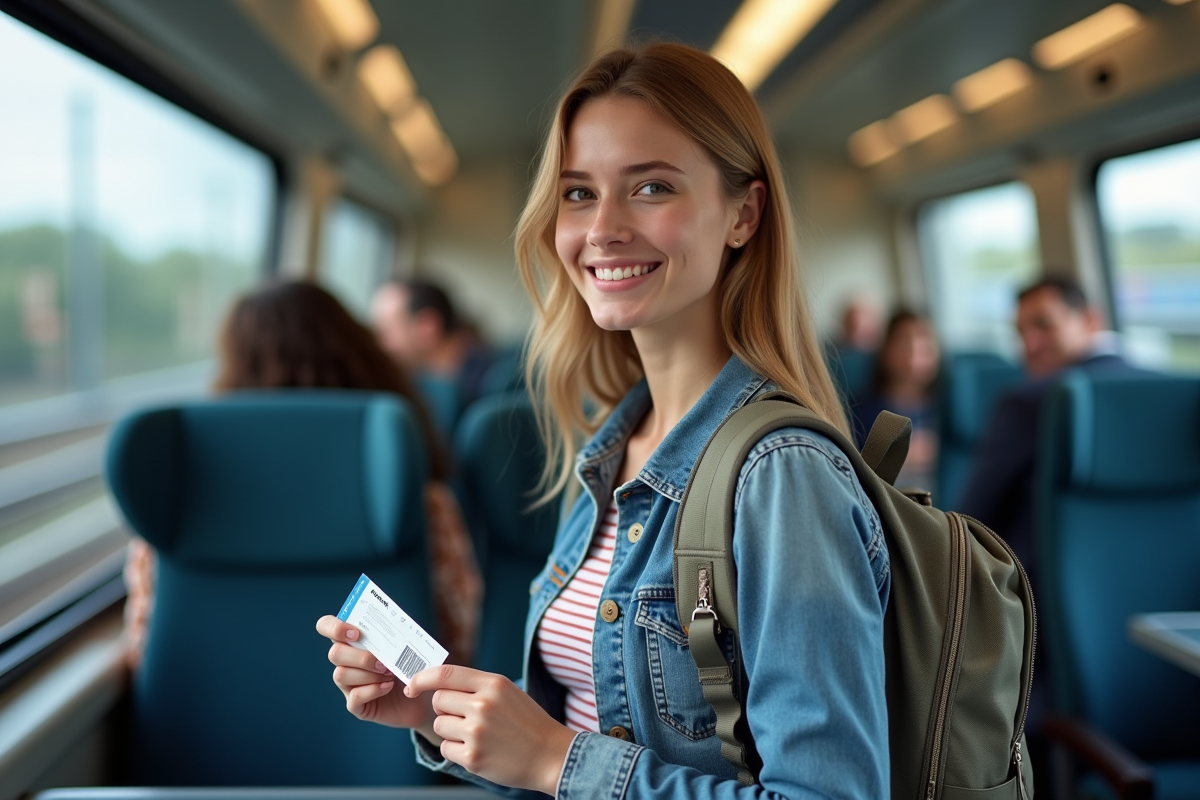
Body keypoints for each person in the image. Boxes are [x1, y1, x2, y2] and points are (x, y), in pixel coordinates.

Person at [318, 43, 890, 798]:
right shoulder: (611, 449)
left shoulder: (780, 475)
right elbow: (589, 727)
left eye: (651, 186)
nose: (603, 229)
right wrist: (442, 715)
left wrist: (556, 759)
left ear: (743, 215)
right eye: (579, 193)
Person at [126, 280, 482, 667]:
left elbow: (142, 646)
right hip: (385, 716)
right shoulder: (417, 500)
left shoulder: (181, 499)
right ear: (359, 354)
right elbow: (457, 643)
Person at [958, 275, 1133, 574]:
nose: (1029, 344)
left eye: (1044, 325)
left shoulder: (1029, 402)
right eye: (1020, 332)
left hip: (1037, 597)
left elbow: (971, 521)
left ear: (1091, 320)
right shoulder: (1175, 393)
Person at [852, 310, 940, 490]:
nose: (915, 352)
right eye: (905, 342)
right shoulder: (862, 412)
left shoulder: (950, 412)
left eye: (924, 342)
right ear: (886, 349)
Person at [370, 278, 493, 407]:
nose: (379, 345)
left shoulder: (489, 394)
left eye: (386, 332)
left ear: (427, 328)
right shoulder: (418, 385)